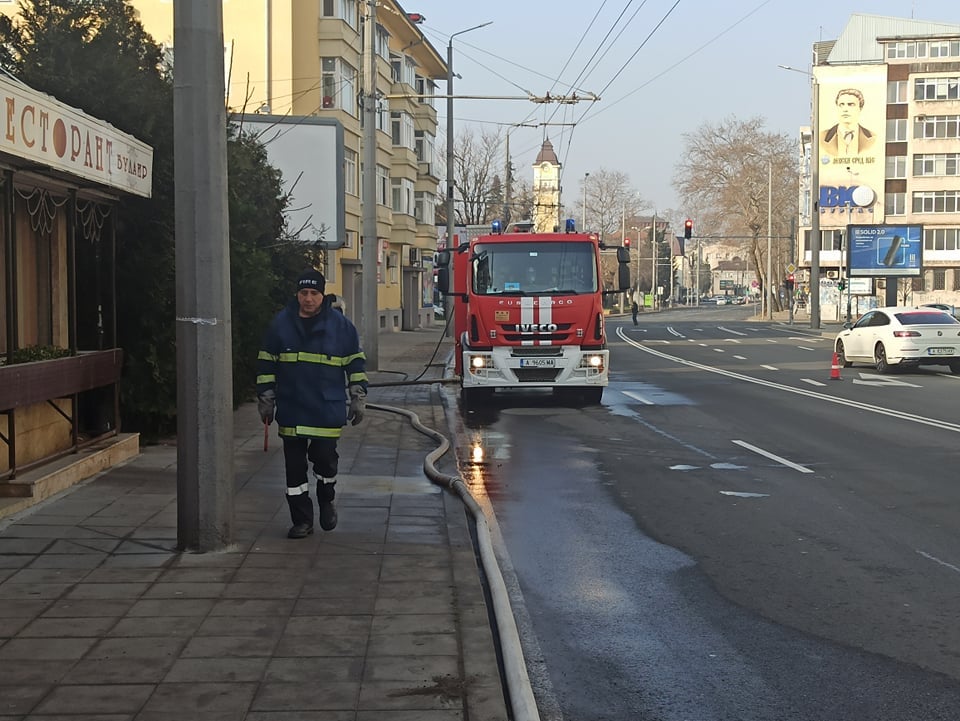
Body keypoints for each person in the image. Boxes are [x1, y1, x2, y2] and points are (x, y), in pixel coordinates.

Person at [256, 269, 368, 539]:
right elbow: (266, 363)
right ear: (297, 294)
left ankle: (326, 499)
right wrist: (266, 399)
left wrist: (357, 397)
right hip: (292, 407)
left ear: (322, 295)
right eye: (304, 293)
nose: (308, 299)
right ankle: (302, 520)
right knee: (294, 470)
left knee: (325, 463)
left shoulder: (341, 327)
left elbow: (355, 363)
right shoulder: (280, 325)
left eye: (314, 293)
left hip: (325, 410)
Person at [820, 88, 876, 156]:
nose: (845, 109)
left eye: (851, 105)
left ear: (860, 108)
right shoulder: (822, 137)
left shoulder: (873, 138)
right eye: (841, 105)